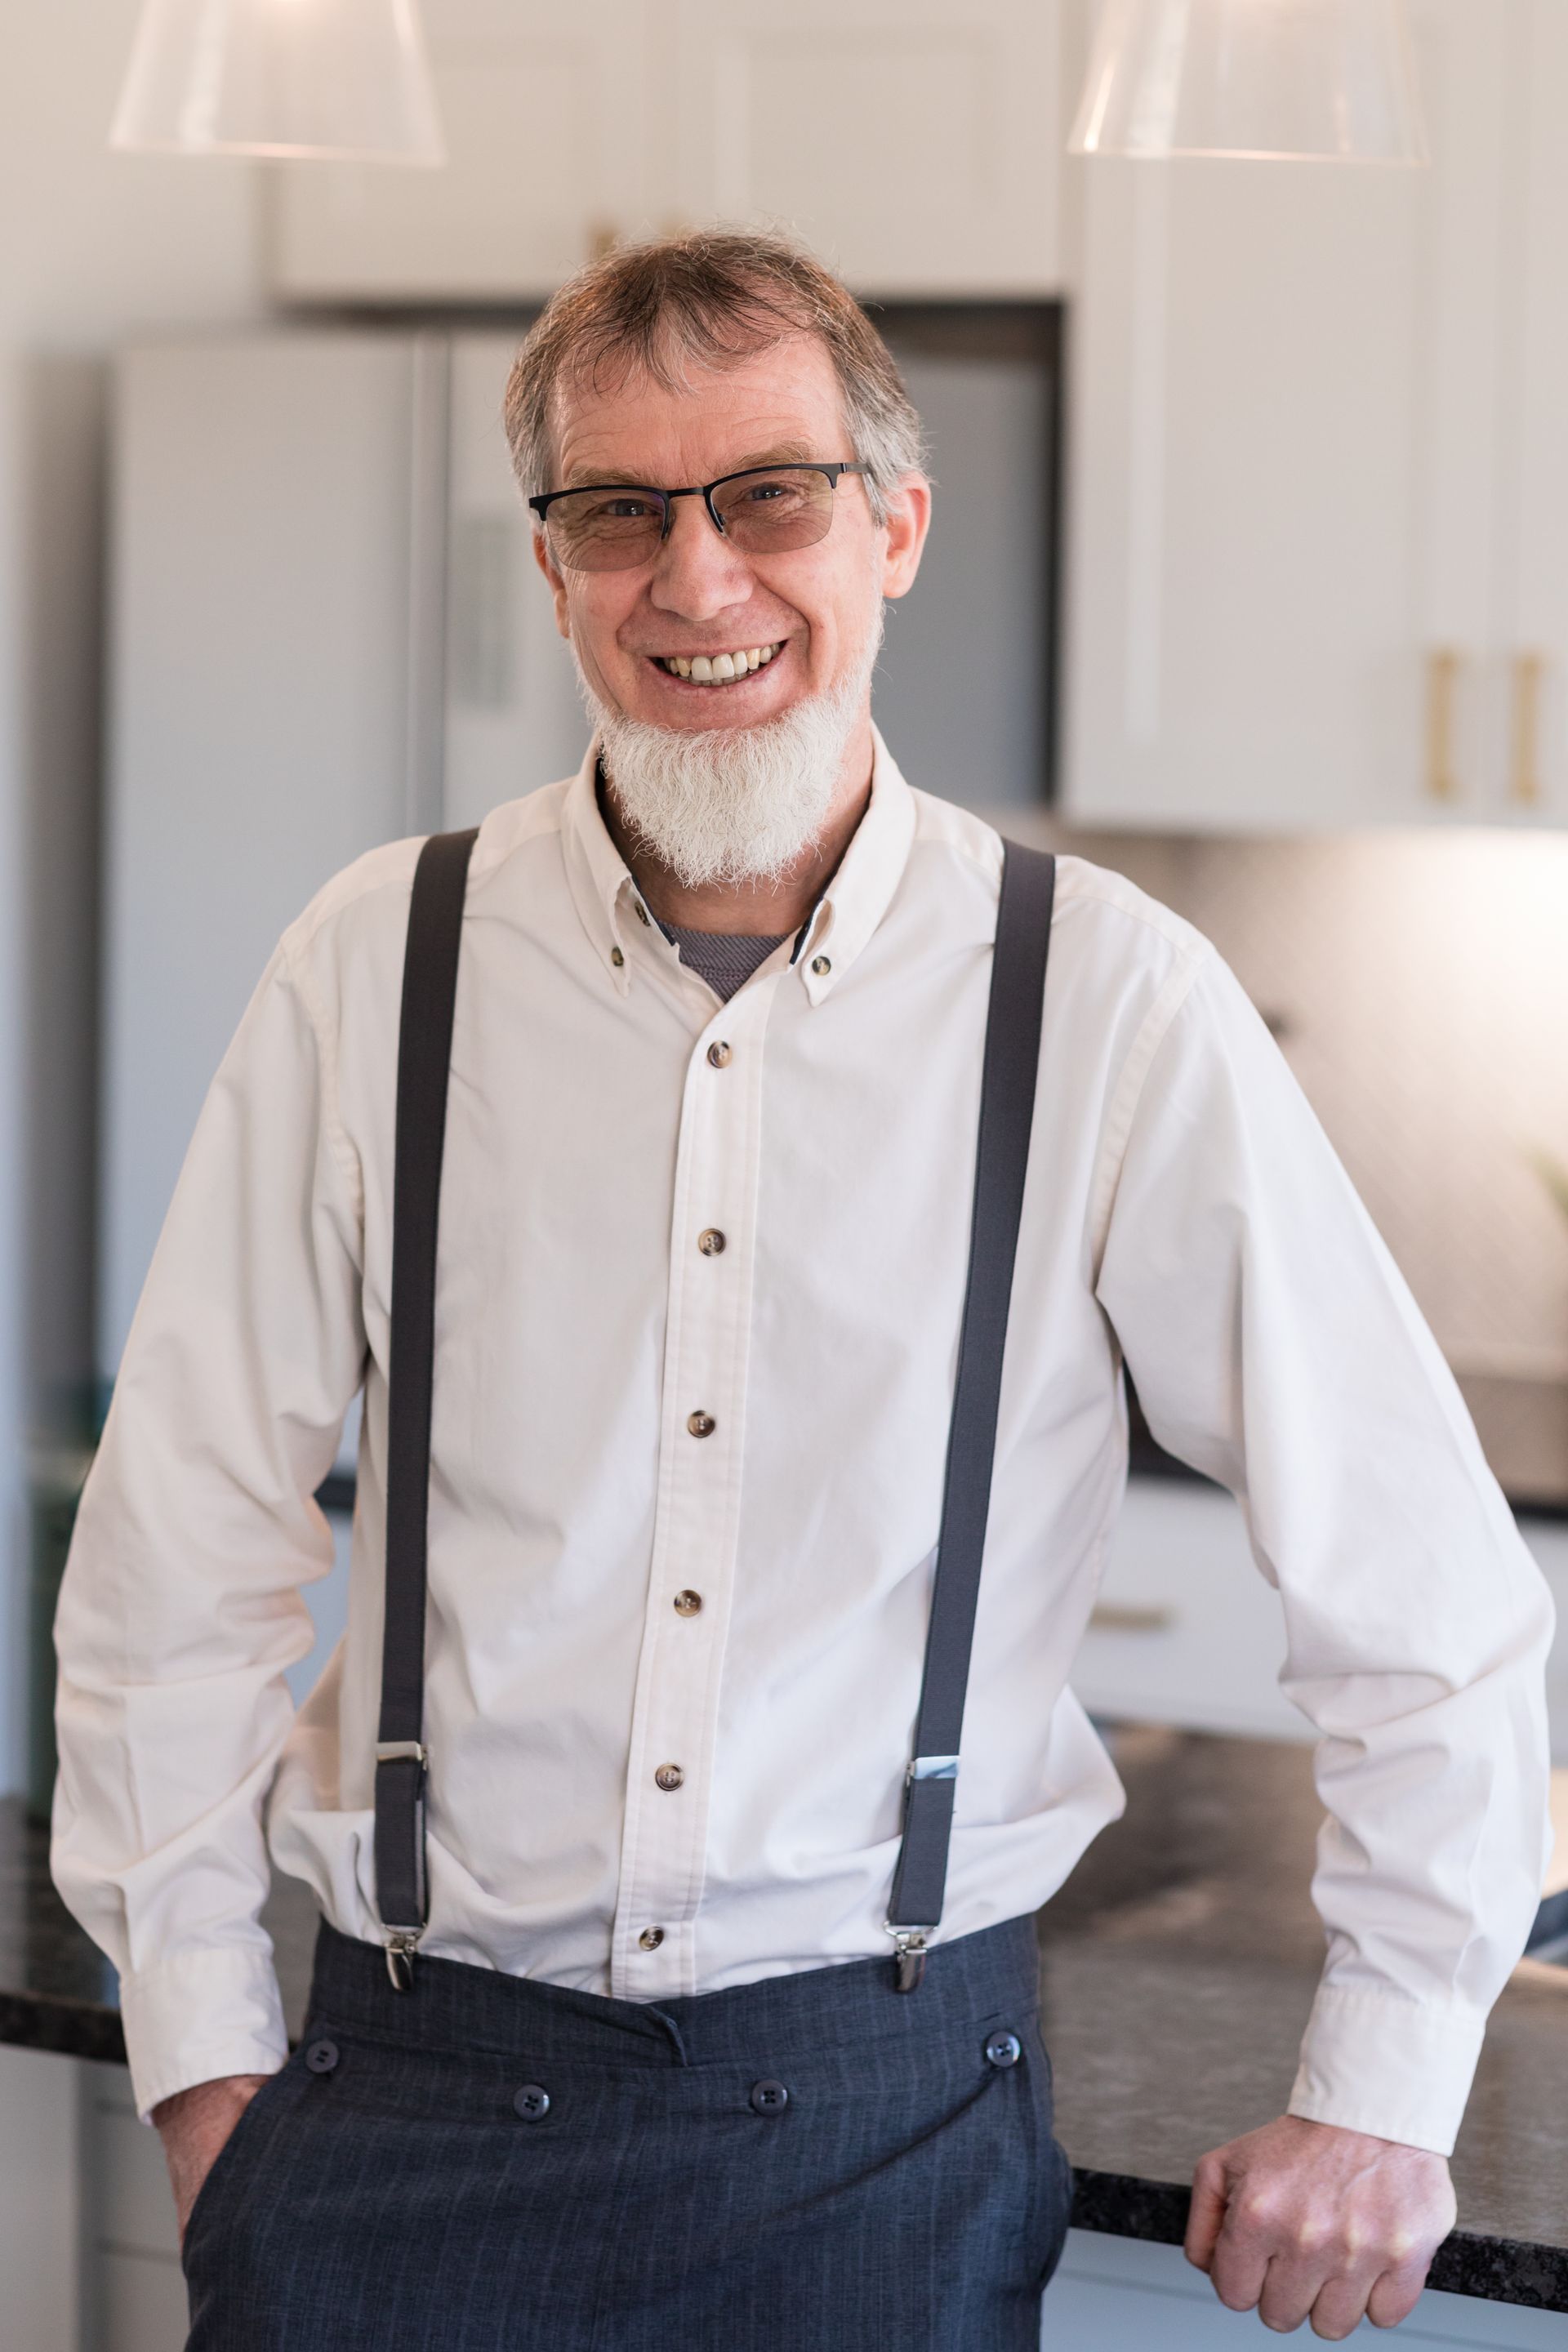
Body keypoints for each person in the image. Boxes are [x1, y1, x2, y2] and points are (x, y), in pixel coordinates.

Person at [53, 229, 1551, 2350]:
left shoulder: (1102, 992)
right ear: (554, 557)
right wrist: (207, 2057)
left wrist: (1385, 2097)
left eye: (768, 494)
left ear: (895, 526)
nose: (697, 578)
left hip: (888, 2130)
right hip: (404, 2103)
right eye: (619, 511)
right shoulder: (377, 959)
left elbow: (1426, 1594)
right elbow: (174, 1554)